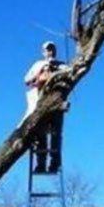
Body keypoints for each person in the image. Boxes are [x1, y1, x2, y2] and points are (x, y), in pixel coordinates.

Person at [24, 41, 67, 174]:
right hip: (41, 102)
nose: (50, 52)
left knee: (56, 134)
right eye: (47, 50)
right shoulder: (38, 64)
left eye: (52, 49)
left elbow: (70, 76)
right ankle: (41, 164)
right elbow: (26, 80)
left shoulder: (63, 65)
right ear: (43, 52)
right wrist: (41, 73)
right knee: (41, 134)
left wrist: (57, 71)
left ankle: (54, 164)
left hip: (57, 104)